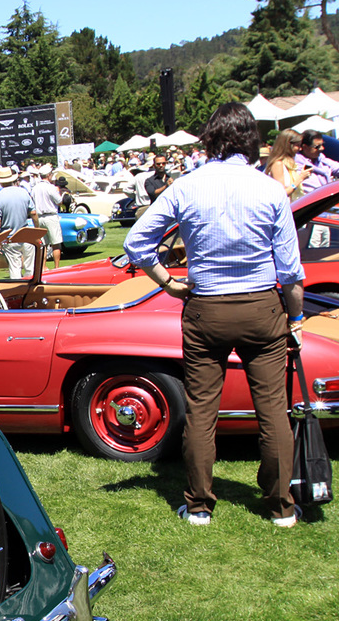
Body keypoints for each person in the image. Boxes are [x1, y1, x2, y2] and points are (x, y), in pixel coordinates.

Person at [124, 101, 305, 528]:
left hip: (206, 307)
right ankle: (281, 505)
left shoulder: (187, 186)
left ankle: (200, 504)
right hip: (262, 306)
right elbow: (292, 272)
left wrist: (167, 282)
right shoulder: (270, 189)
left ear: (211, 140)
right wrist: (294, 318)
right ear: (251, 140)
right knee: (273, 409)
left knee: (202, 410)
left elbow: (136, 242)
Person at [0, 167, 36, 278]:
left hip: (10, 237)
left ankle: (18, 292)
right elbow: (33, 213)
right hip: (25, 234)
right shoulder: (23, 192)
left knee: (15, 268)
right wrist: (36, 229)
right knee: (30, 268)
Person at [27, 164, 64, 269]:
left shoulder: (35, 188)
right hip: (50, 216)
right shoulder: (50, 188)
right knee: (56, 243)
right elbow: (59, 201)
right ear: (48, 175)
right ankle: (57, 267)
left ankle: (43, 267)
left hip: (39, 217)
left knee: (43, 245)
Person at [266, 129, 310, 198]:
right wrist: (300, 178)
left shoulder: (291, 164)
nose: (300, 149)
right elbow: (282, 193)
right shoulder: (278, 164)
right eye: (297, 145)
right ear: (288, 145)